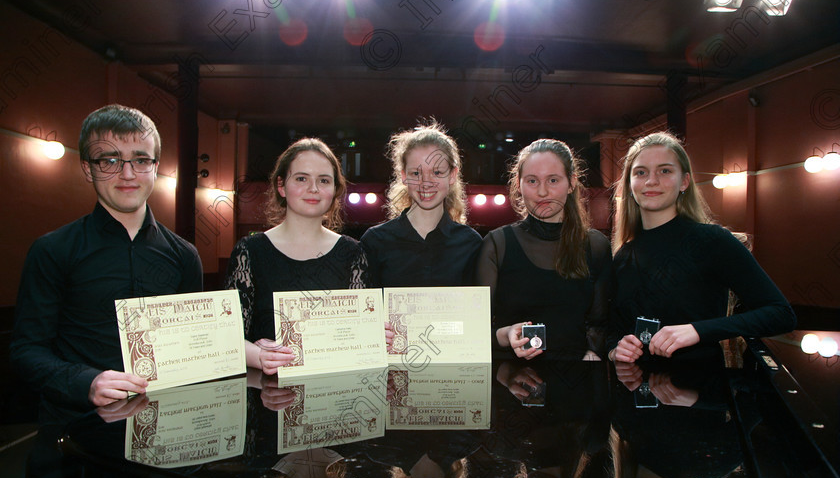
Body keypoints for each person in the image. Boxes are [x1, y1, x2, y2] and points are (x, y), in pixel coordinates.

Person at [10, 104, 203, 478]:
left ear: (156, 166)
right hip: (69, 450)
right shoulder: (52, 251)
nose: (127, 172)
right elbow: (25, 351)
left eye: (140, 158)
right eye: (109, 159)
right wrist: (88, 381)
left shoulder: (183, 257)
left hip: (162, 453)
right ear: (86, 169)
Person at [608, 132, 796, 382]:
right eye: (641, 172)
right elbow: (613, 328)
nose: (651, 181)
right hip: (636, 402)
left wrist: (698, 330)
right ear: (630, 185)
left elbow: (781, 314)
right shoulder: (623, 255)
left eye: (664, 171)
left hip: (699, 398)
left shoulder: (712, 241)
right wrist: (616, 347)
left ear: (684, 182)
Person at [225, 138, 367, 375]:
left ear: (334, 190)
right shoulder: (249, 251)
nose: (313, 188)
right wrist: (259, 356)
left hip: (334, 396)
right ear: (281, 186)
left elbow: (359, 334)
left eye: (323, 180)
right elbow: (229, 336)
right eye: (302, 178)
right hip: (267, 396)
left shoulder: (353, 253)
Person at [475, 139, 611, 361]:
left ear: (571, 183)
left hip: (576, 382)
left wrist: (593, 352)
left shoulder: (596, 246)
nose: (542, 191)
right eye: (532, 181)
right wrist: (505, 335)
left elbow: (602, 322)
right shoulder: (496, 245)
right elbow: (477, 332)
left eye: (553, 180)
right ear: (519, 184)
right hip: (512, 381)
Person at [360, 120, 482, 288]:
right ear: (404, 176)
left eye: (437, 172)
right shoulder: (375, 241)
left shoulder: (470, 243)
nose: (426, 182)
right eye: (416, 173)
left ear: (452, 175)